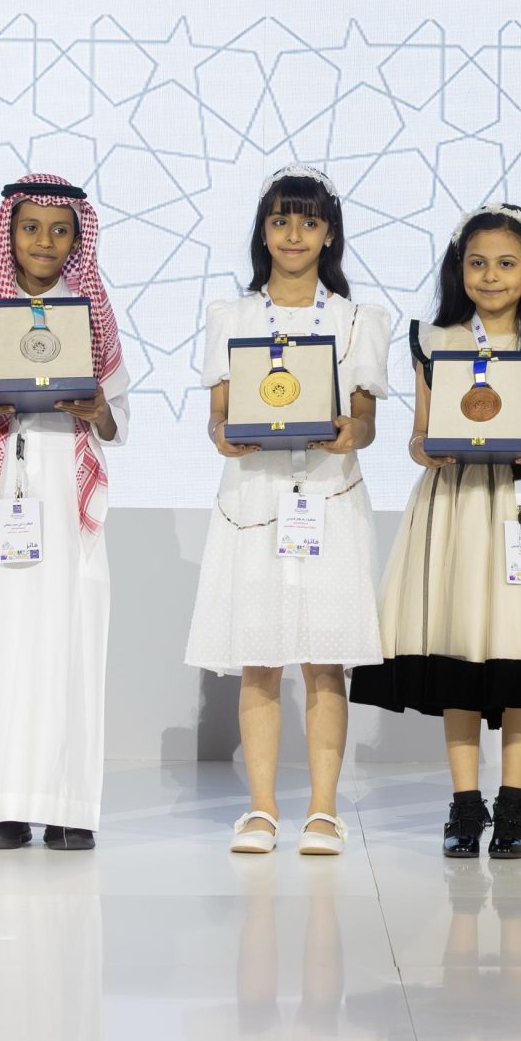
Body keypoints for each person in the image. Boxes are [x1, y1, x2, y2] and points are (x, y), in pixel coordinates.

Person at [350, 203, 521, 859]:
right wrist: (426, 450)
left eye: (505, 263)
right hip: (458, 509)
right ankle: (466, 803)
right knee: (460, 649)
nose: (490, 276)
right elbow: (418, 436)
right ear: (459, 270)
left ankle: (515, 805)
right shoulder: (435, 340)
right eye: (477, 263)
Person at [185, 167, 393, 858]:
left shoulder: (359, 320)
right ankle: (262, 808)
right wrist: (224, 435)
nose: (294, 234)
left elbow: (365, 421)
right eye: (280, 221)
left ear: (329, 233)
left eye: (308, 221)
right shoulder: (231, 317)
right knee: (260, 657)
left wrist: (350, 432)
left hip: (330, 497)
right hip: (254, 499)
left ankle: (324, 810)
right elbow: (218, 419)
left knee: (326, 661)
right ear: (263, 232)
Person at [0, 176, 132, 851]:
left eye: (60, 231)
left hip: (67, 500)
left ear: (78, 239)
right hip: (4, 502)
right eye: (30, 228)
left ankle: (67, 806)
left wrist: (99, 410)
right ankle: (0, 806)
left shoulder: (94, 318)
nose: (44, 242)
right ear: (10, 234)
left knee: (69, 645)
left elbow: (118, 421)